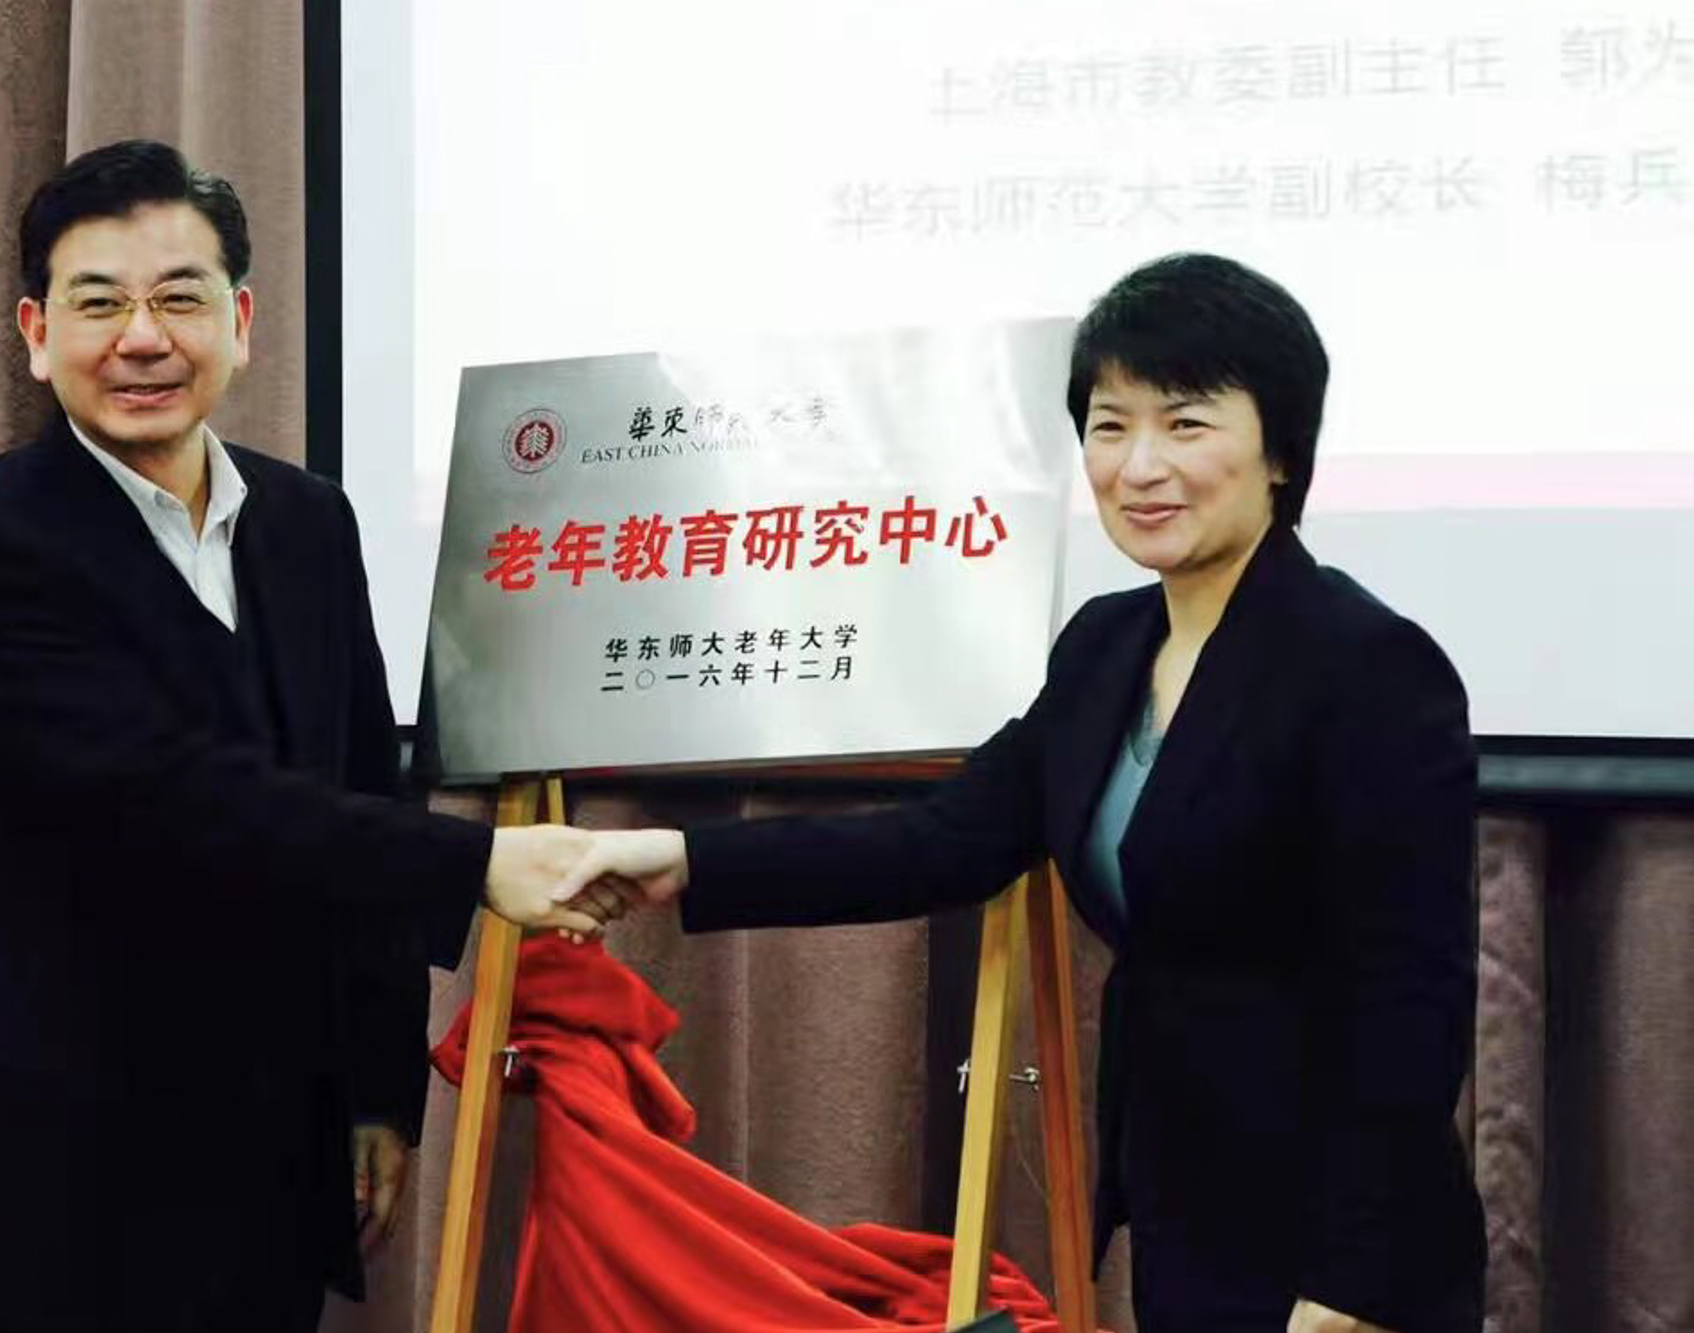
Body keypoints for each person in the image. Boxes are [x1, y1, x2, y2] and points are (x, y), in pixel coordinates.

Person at [563, 254, 1488, 1333]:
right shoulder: (1106, 646)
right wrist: (681, 859)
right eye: (1109, 426)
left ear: (1281, 450)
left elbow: (1410, 1003)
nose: (1139, 466)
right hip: (1187, 1205)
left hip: (1340, 1242)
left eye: (1185, 424)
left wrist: (1348, 1285)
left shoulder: (1364, 664)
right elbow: (943, 839)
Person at [0, 140, 608, 1333]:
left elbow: (361, 784)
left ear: (241, 320)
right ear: (35, 333)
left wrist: (377, 1090)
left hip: (273, 1148)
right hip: (70, 1168)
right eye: (99, 302)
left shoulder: (309, 520)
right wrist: (481, 863)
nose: (142, 338)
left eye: (179, 297)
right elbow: (170, 795)